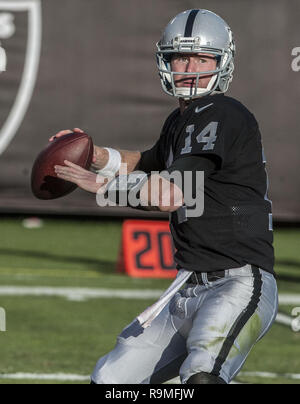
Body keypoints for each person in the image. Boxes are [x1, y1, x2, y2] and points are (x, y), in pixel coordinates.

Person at [52, 9, 278, 384]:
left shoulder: (221, 112)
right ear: (165, 61)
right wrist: (94, 157)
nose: (190, 67)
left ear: (222, 63)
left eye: (202, 58)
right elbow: (144, 162)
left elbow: (174, 193)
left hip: (236, 283)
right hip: (187, 284)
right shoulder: (182, 120)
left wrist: (104, 187)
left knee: (201, 377)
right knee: (111, 379)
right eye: (181, 56)